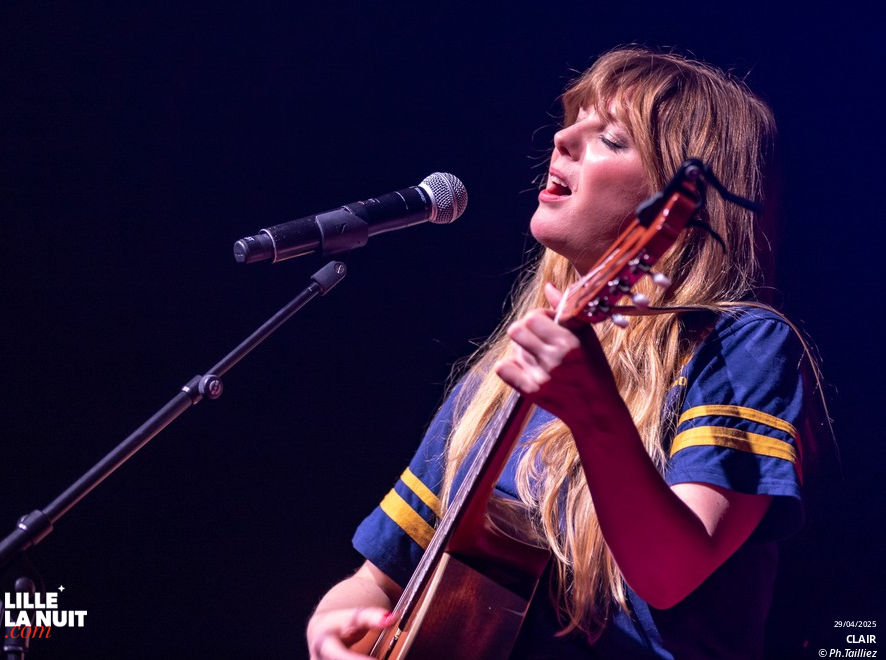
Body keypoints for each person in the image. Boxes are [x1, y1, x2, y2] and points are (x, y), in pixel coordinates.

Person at [306, 47, 822, 660]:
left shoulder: (740, 345)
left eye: (611, 138)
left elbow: (670, 574)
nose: (562, 138)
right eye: (573, 120)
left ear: (672, 217)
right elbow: (377, 578)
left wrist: (594, 411)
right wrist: (333, 624)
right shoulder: (499, 380)